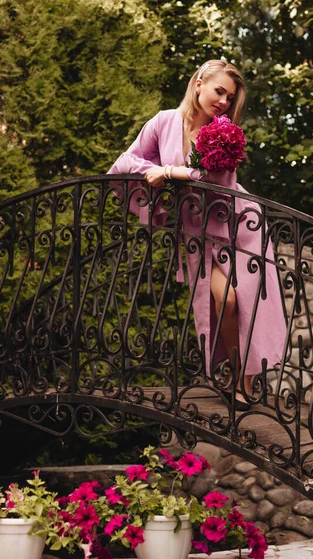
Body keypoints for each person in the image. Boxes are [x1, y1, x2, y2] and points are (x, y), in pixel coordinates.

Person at [107, 60, 286, 410]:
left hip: (240, 223)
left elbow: (216, 181)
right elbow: (124, 164)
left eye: (230, 98)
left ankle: (244, 384)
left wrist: (170, 171)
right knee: (226, 301)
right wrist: (154, 170)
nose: (223, 102)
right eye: (219, 91)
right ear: (199, 83)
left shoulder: (225, 133)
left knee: (246, 302)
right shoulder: (163, 122)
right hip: (199, 230)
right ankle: (235, 375)